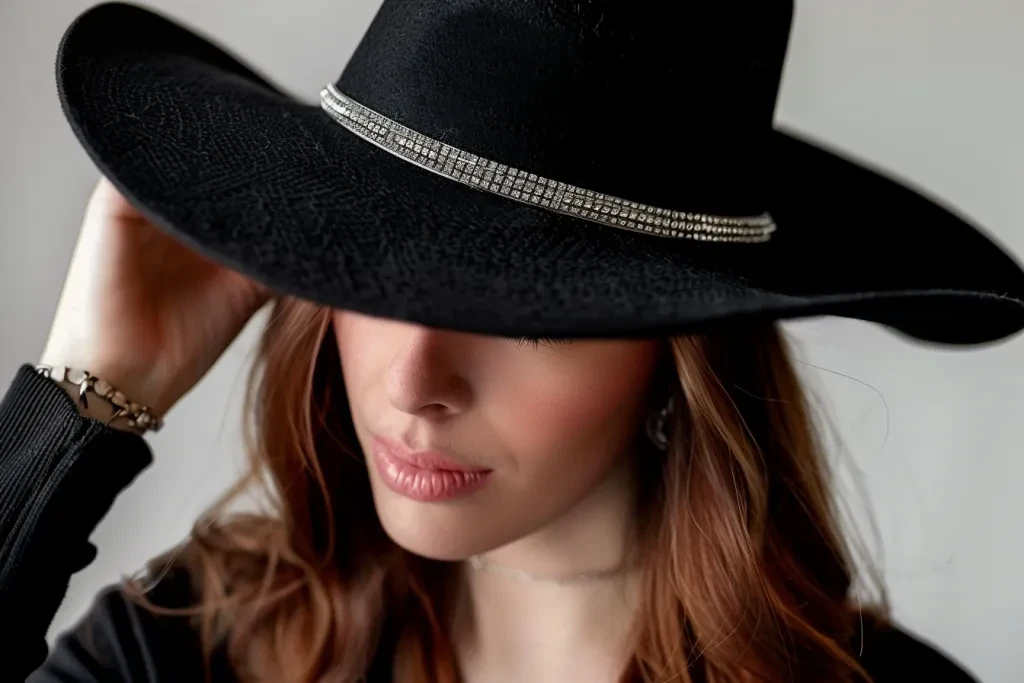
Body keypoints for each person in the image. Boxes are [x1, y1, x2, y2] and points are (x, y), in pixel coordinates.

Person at [5, 1, 1023, 681]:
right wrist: (82, 396)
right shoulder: (190, 646)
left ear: (677, 352)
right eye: (373, 274)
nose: (413, 383)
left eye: (522, 314)